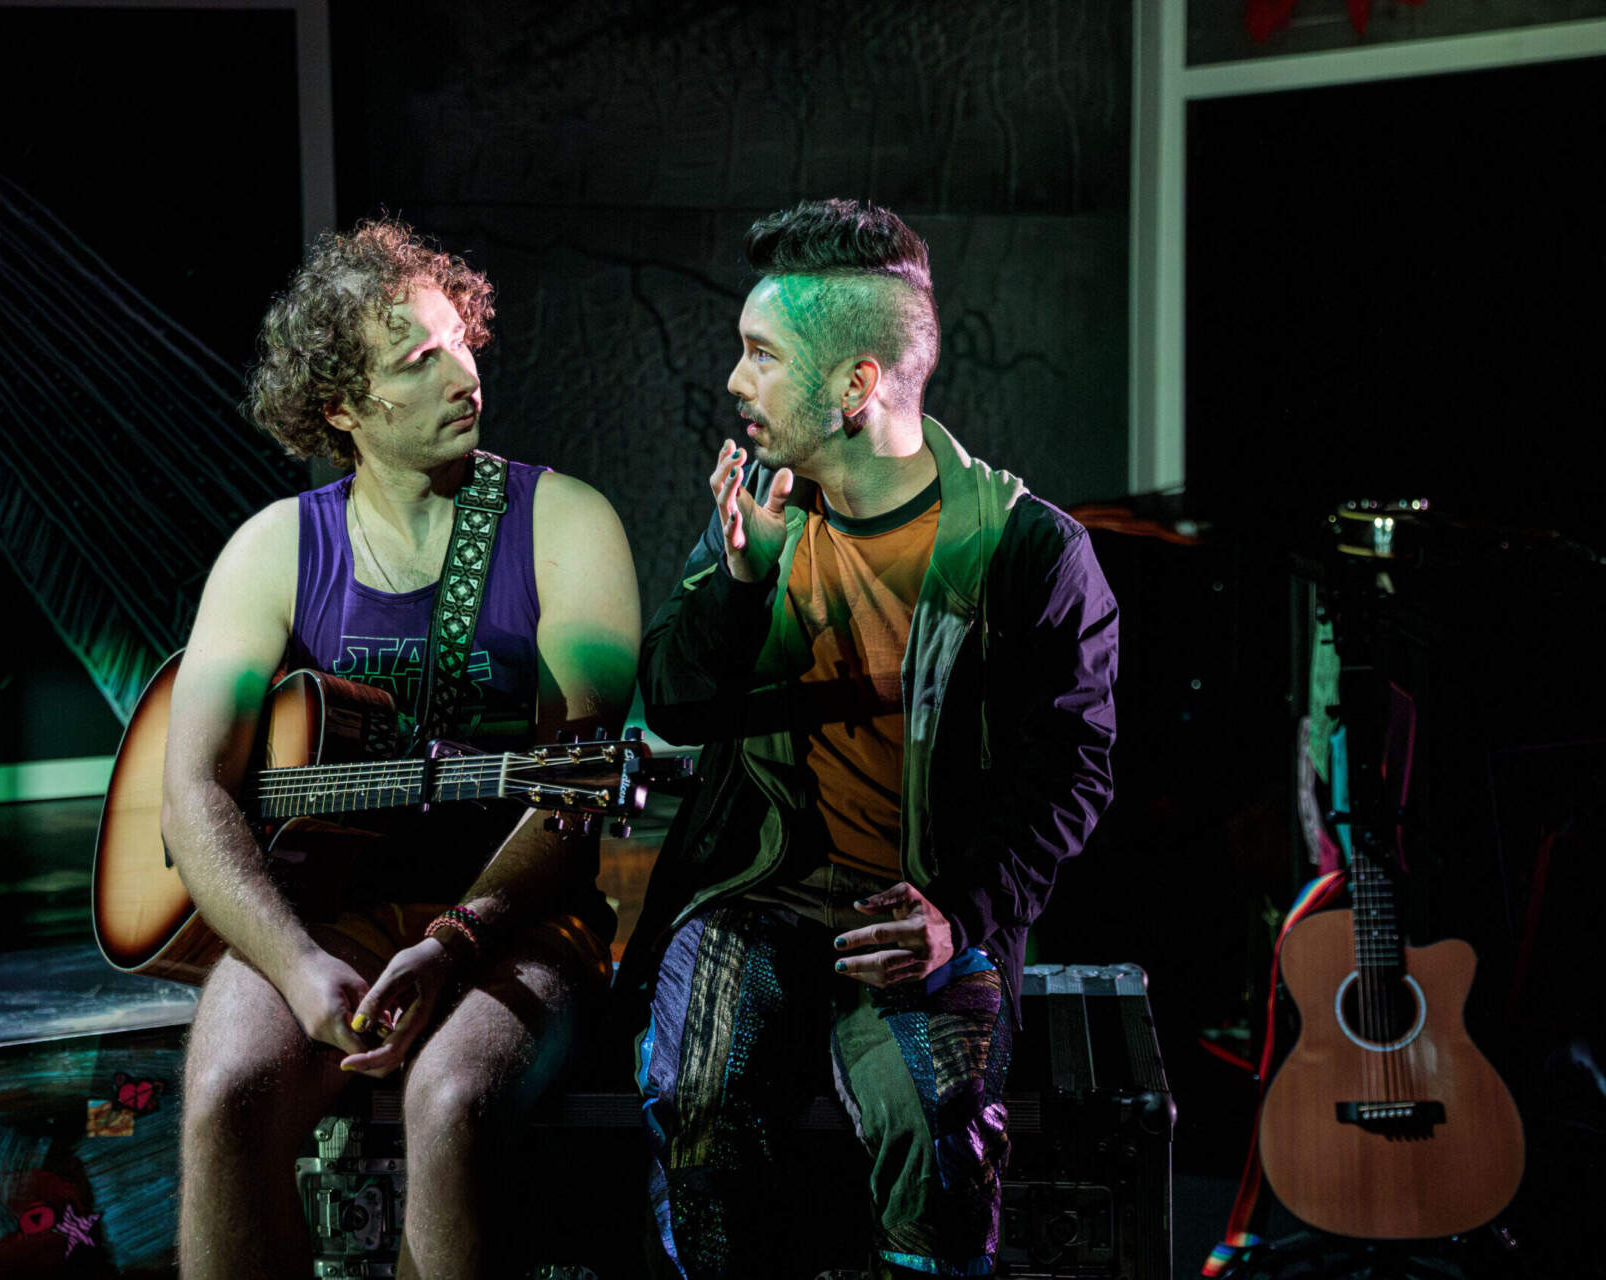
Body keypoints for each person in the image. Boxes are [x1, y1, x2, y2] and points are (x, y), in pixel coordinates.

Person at [624, 198, 1118, 1278]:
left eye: (761, 354)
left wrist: (960, 914)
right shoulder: (763, 513)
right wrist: (736, 586)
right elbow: (669, 704)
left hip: (923, 901)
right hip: (763, 888)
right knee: (690, 1094)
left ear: (855, 383)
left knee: (935, 1133)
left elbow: (1072, 774)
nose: (735, 381)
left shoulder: (1028, 550)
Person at [162, 218, 641, 1279]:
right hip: (320, 910)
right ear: (342, 406)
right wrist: (293, 961)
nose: (463, 372)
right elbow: (191, 790)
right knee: (224, 1097)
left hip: (517, 922)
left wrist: (458, 939)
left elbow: (577, 795)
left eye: (458, 338)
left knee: (454, 1099)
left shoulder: (567, 525)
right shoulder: (274, 550)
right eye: (418, 361)